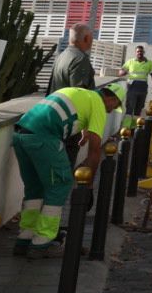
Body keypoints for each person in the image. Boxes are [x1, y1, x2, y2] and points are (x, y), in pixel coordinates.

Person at [11, 83, 124, 257]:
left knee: (35, 188)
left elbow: (73, 113)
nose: (110, 111)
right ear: (111, 99)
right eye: (114, 106)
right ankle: (43, 241)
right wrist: (88, 186)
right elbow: (95, 151)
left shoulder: (80, 93)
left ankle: (25, 237)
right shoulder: (98, 104)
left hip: (21, 134)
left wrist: (85, 132)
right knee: (61, 184)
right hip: (44, 137)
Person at [48, 24, 96, 93]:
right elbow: (79, 94)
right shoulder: (80, 59)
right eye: (92, 37)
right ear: (87, 38)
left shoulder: (61, 56)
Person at [121, 45, 152, 116]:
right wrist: (122, 72)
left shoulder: (149, 63)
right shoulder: (130, 62)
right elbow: (121, 72)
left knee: (138, 109)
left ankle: (135, 126)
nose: (139, 53)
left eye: (141, 51)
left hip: (142, 88)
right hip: (132, 87)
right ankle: (127, 126)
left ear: (144, 52)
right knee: (129, 108)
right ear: (135, 52)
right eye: (138, 51)